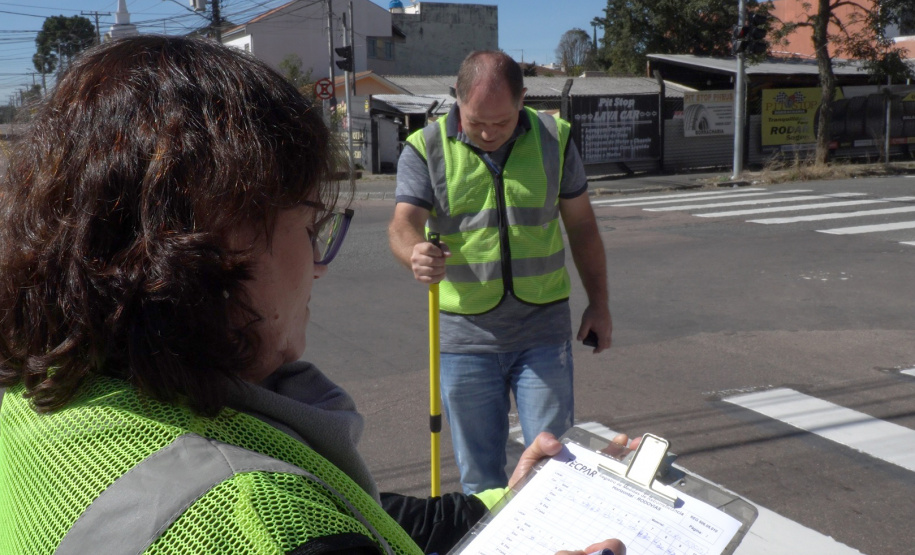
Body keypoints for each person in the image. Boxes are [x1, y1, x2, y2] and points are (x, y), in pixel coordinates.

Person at [0, 36, 626, 555]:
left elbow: (368, 512)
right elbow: (327, 521)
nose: (320, 266)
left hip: (541, 325)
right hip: (467, 332)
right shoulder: (264, 517)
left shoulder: (33, 400)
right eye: (310, 227)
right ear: (208, 248)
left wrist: (498, 502)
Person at [388, 50, 612, 494]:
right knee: (480, 478)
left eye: (502, 122)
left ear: (524, 100)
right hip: (463, 338)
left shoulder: (555, 138)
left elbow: (582, 226)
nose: (489, 133)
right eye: (476, 122)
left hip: (542, 331)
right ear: (456, 98)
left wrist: (600, 304)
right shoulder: (426, 147)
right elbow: (402, 225)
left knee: (553, 467)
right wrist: (414, 252)